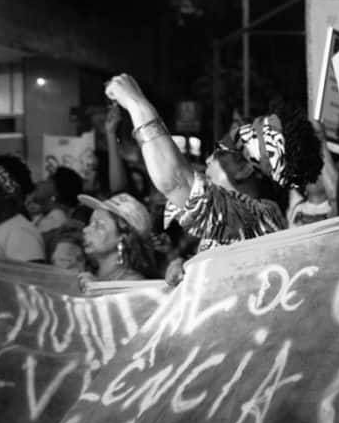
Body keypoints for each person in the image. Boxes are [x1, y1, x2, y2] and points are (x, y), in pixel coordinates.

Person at [104, 75, 322, 284]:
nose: (208, 159)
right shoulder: (253, 217)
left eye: (220, 153)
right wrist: (186, 266)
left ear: (245, 170)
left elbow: (176, 181)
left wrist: (135, 102)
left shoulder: (255, 218)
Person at [77, 192, 156, 287]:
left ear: (123, 237)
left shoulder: (133, 284)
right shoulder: (89, 273)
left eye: (99, 226)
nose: (86, 229)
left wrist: (97, 290)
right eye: (90, 223)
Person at [28, 166, 84, 234]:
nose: (40, 182)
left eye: (48, 179)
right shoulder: (44, 216)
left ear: (58, 190)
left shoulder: (56, 220)